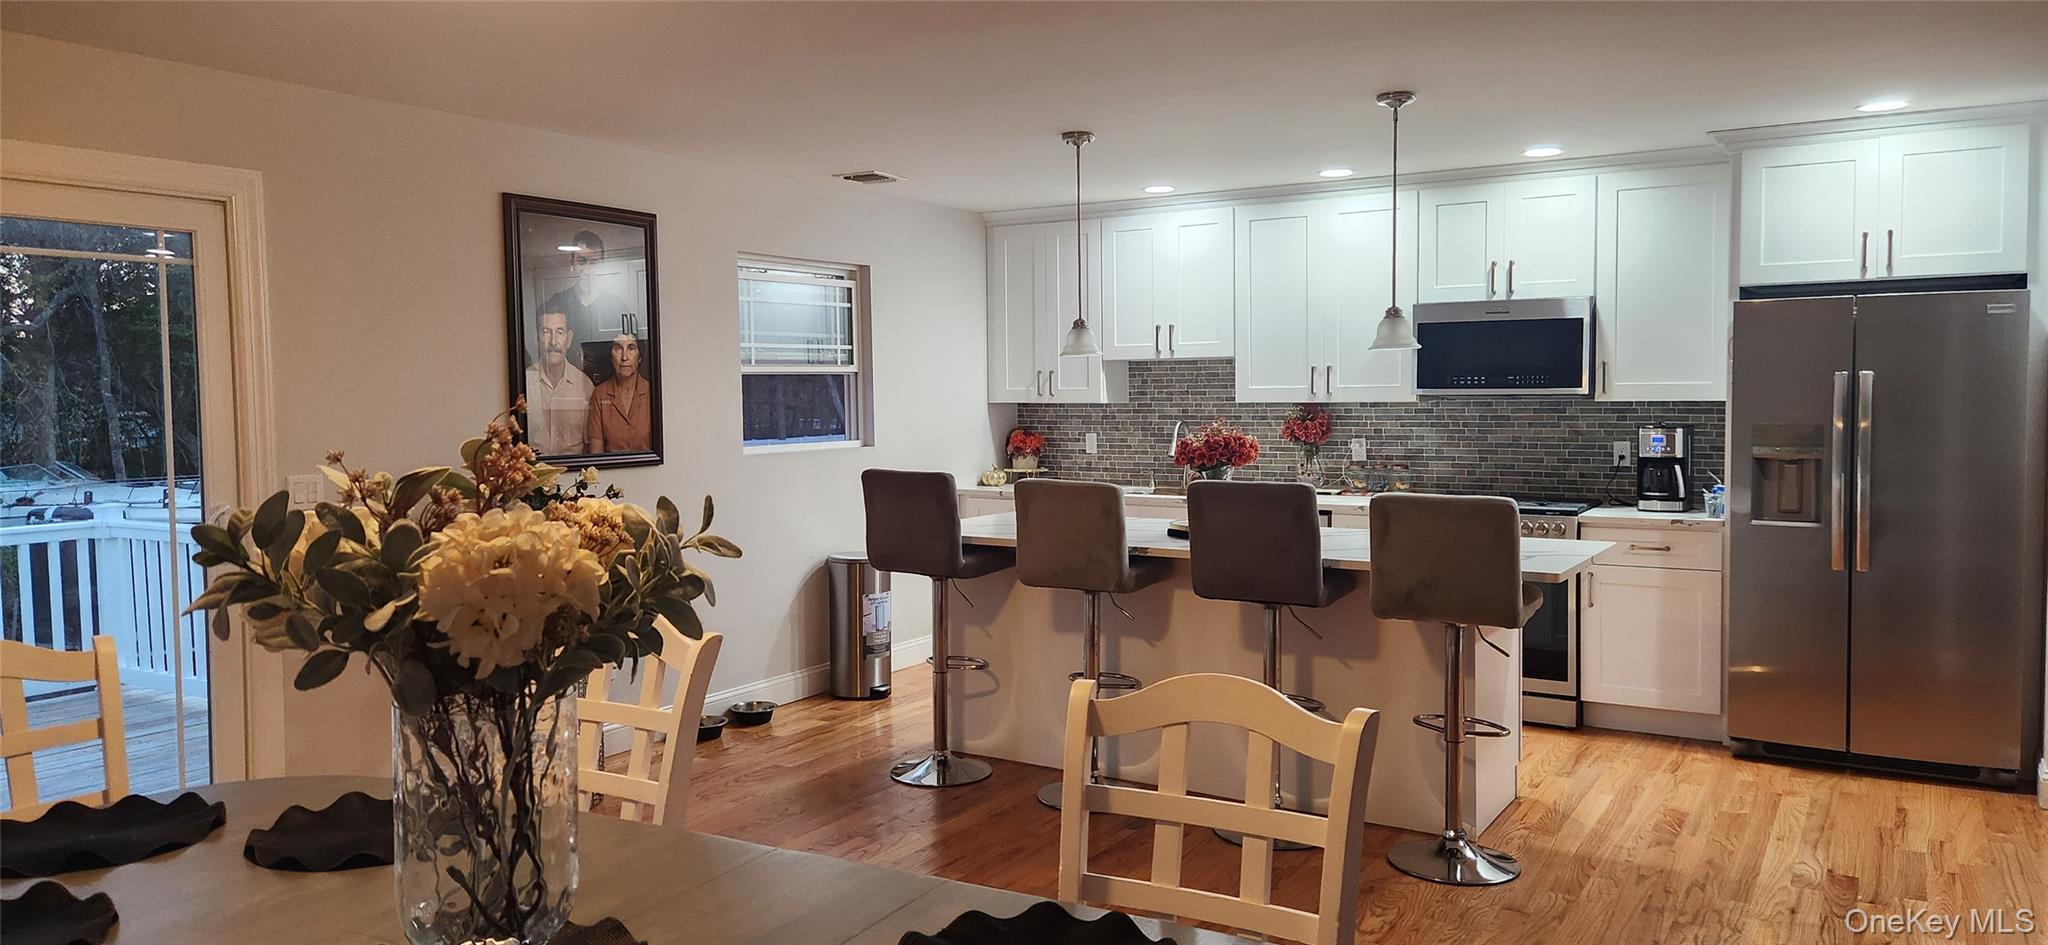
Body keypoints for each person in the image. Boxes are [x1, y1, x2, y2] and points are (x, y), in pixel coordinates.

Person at [523, 308, 594, 455]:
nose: (553, 341)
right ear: (537, 338)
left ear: (569, 339)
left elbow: (590, 446)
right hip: (534, 475)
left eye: (560, 332)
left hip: (574, 474)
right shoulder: (524, 384)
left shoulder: (585, 386)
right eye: (546, 332)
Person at [542, 229, 632, 343]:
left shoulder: (618, 307)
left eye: (594, 263)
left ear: (603, 265)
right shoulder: (556, 303)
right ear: (572, 263)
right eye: (582, 261)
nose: (588, 270)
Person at [586, 332, 653, 453]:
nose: (624, 357)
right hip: (611, 470)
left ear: (640, 357)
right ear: (611, 358)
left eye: (631, 348)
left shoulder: (652, 393)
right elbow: (596, 454)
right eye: (618, 349)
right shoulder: (600, 394)